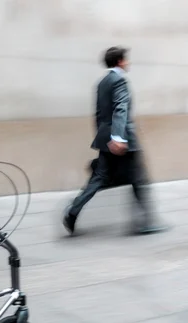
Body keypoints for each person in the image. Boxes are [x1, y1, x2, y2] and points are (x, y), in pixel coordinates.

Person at [63, 46, 166, 236]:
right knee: (138, 179)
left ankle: (72, 211)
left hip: (106, 139)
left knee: (99, 178)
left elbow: (99, 114)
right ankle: (146, 222)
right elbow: (120, 109)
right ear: (119, 61)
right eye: (126, 60)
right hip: (123, 140)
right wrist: (118, 137)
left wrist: (104, 137)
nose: (128, 63)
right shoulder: (120, 81)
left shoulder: (102, 82)